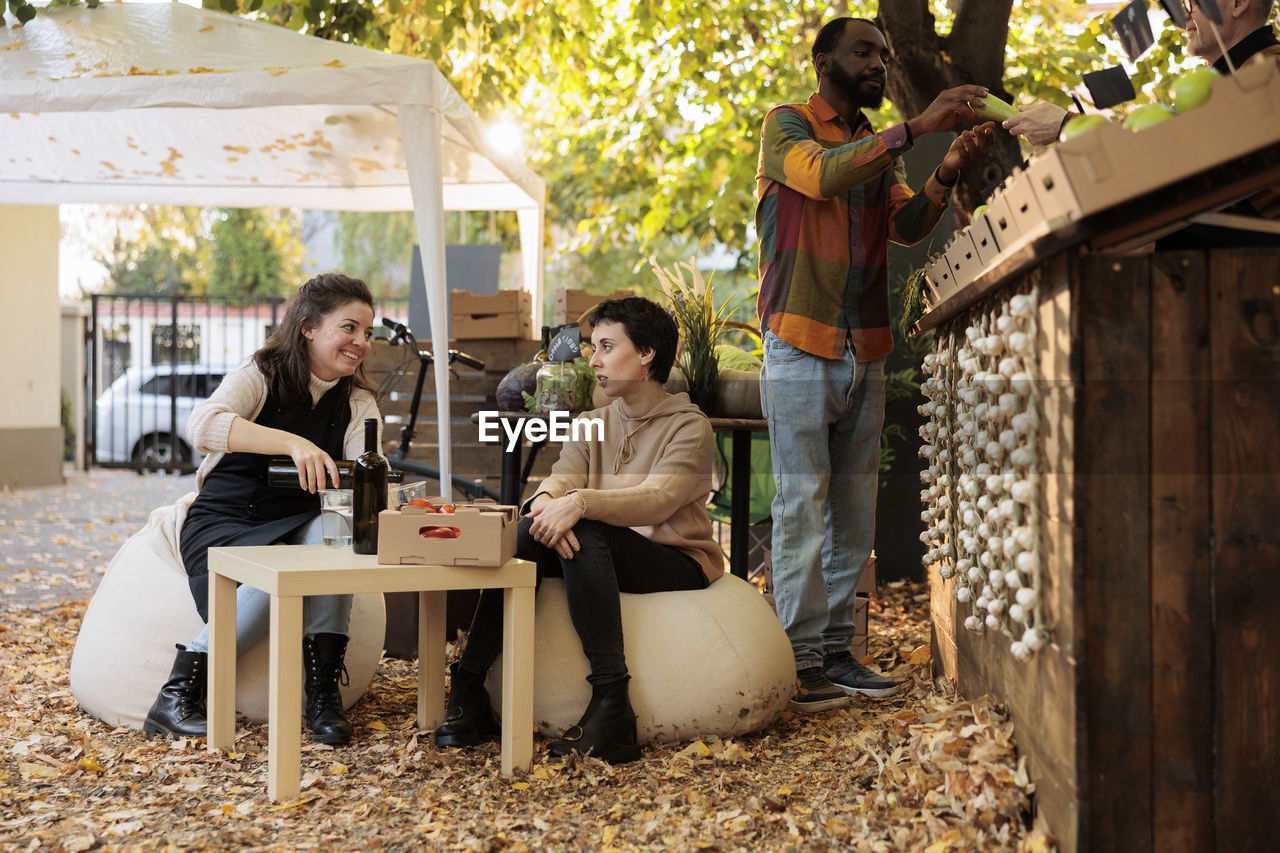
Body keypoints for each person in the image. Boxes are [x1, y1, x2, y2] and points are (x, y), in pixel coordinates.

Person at [756, 16, 995, 712]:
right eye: (865, 50)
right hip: (800, 341)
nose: (880, 63)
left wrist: (946, 167)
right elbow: (822, 179)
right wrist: (918, 128)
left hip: (868, 345)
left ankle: (836, 654)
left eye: (885, 56)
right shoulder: (788, 125)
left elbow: (908, 225)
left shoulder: (872, 145)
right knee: (801, 505)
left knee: (853, 514)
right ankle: (797, 665)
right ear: (824, 58)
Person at [433, 296, 722, 765]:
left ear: (646, 353)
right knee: (527, 533)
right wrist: (549, 502)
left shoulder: (690, 427)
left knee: (581, 526)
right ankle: (469, 684)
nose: (594, 359)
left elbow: (658, 498)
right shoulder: (592, 423)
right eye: (593, 348)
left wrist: (580, 504)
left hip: (674, 559)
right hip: (600, 550)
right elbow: (563, 475)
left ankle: (611, 700)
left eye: (607, 346)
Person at [143, 273, 382, 746]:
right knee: (294, 565)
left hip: (298, 526)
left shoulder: (359, 403)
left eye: (368, 333)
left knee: (333, 538)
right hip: (226, 520)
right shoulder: (261, 373)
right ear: (309, 327)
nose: (361, 343)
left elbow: (367, 473)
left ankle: (321, 695)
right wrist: (292, 443)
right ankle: (176, 696)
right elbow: (203, 423)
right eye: (349, 328)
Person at [1004, 0, 1280, 147]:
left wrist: (1067, 126)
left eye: (1192, 0)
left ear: (1238, 2)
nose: (1183, 12)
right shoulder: (1228, 77)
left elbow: (1178, 154)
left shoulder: (1268, 74)